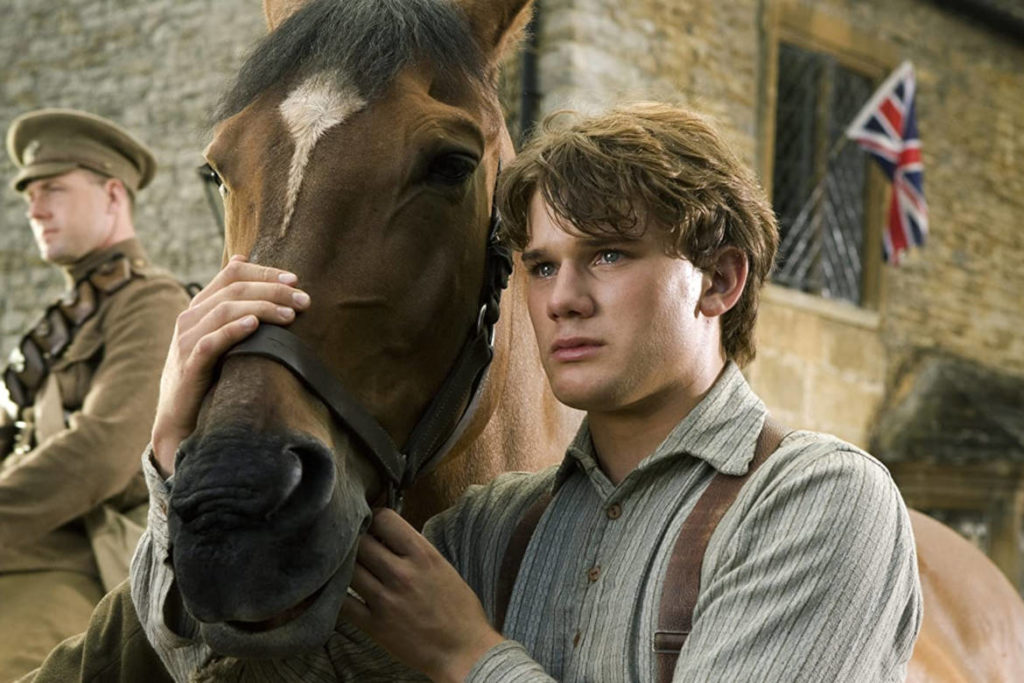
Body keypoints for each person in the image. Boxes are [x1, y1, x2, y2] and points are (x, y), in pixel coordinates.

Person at [27, 102, 921, 682]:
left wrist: (472, 656)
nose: (563, 297)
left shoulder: (818, 498)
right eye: (541, 264)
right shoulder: (489, 531)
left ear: (719, 280)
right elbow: (221, 659)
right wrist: (180, 452)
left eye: (609, 254)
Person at [0, 108, 190, 679]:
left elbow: (102, 453)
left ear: (112, 195)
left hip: (76, 562)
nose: (35, 209)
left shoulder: (150, 302)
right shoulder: (66, 322)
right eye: (30, 194)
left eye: (53, 189)